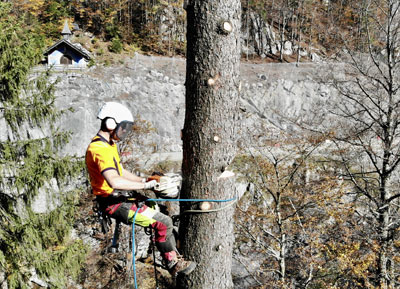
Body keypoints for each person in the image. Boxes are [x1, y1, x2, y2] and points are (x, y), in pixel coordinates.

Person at [85, 102, 196, 276]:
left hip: (120, 198)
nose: (123, 132)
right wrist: (145, 185)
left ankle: (165, 242)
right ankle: (173, 263)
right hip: (114, 203)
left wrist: (144, 179)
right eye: (123, 127)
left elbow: (120, 171)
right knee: (163, 222)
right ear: (111, 124)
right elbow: (114, 181)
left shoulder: (108, 145)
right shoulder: (99, 149)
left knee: (153, 205)